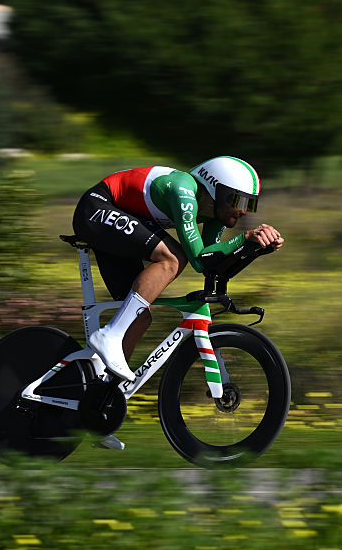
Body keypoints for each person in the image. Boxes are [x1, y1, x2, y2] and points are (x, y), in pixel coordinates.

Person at [72, 156, 284, 388]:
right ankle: (110, 335)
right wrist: (243, 238)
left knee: (139, 318)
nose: (244, 212)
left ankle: (102, 392)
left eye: (249, 205)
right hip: (97, 207)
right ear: (216, 190)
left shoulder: (214, 213)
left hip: (124, 221)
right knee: (174, 258)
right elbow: (195, 259)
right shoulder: (183, 190)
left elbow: (209, 261)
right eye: (239, 201)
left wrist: (254, 248)